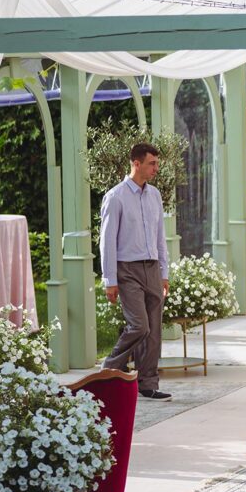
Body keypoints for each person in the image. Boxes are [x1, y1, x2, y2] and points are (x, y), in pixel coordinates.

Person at [99, 142, 171, 400]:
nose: (156, 168)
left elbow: (160, 236)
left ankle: (148, 384)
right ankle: (108, 369)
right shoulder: (116, 197)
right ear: (136, 163)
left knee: (153, 330)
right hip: (127, 270)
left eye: (157, 163)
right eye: (152, 163)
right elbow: (107, 241)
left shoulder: (155, 196)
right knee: (139, 326)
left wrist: (164, 272)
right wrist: (110, 279)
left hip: (152, 268)